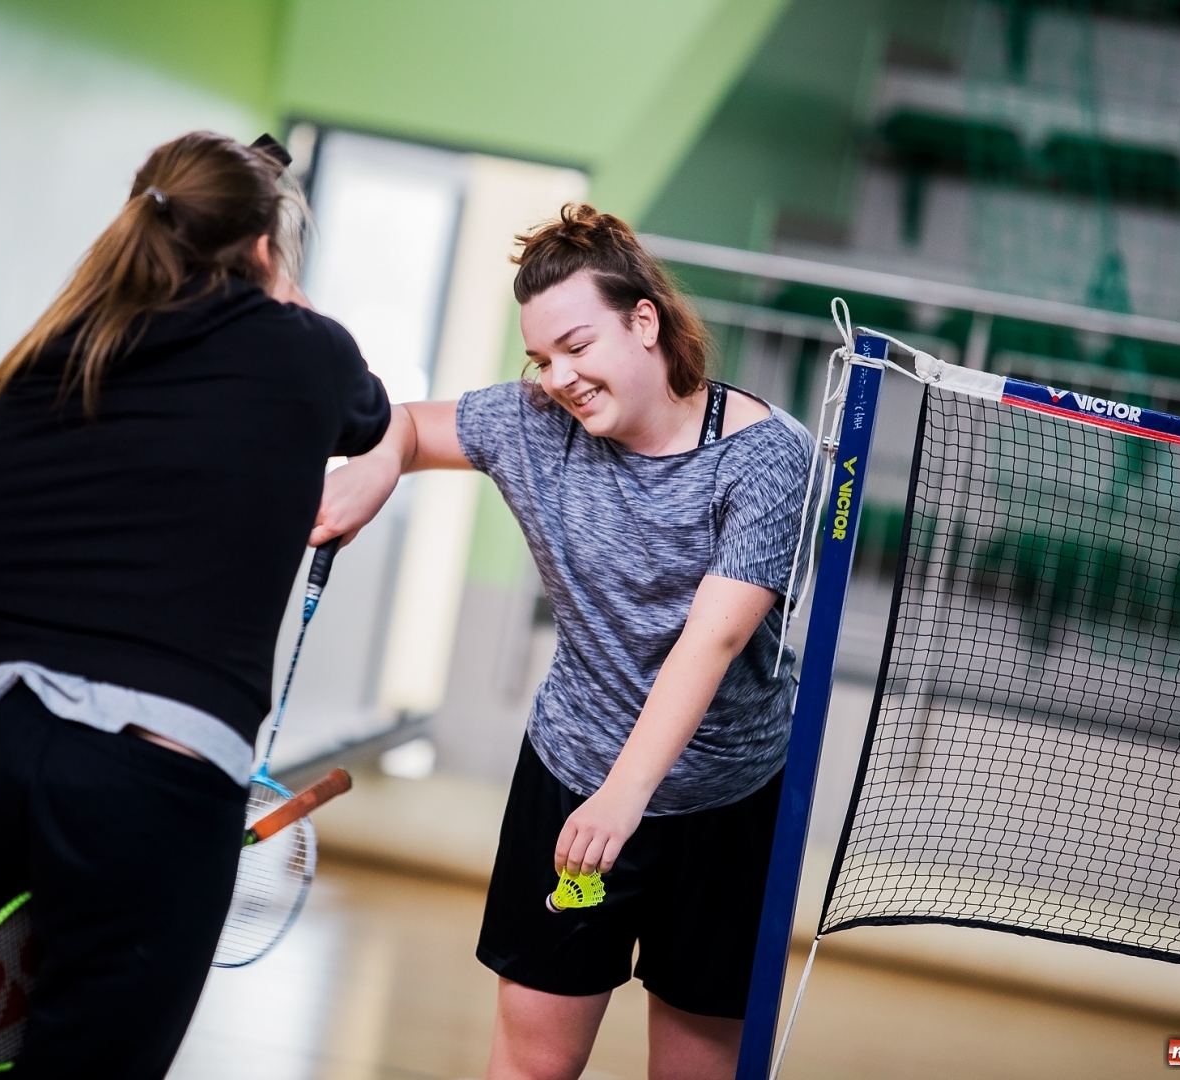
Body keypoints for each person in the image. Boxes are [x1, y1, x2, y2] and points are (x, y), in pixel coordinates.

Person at [0, 131, 389, 1079]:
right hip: (152, 787)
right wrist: (279, 289)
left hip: (0, 755)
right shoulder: (305, 352)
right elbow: (369, 415)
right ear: (262, 246)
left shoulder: (64, 344)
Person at [316, 205, 814, 1080]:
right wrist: (379, 465)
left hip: (727, 801)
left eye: (577, 346)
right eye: (542, 358)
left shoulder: (767, 458)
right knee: (532, 1065)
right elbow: (404, 422)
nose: (559, 378)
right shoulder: (534, 423)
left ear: (644, 321)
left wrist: (624, 797)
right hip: (572, 770)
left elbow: (714, 638)